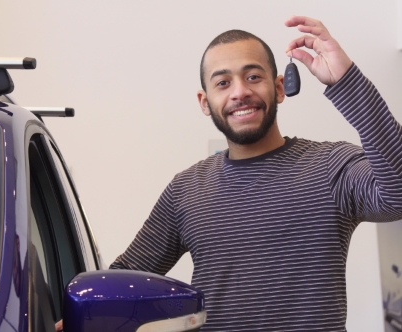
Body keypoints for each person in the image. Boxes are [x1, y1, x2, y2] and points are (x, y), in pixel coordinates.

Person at [106, 15, 402, 331]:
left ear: (279, 88)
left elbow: (398, 194)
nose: (239, 92)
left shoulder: (330, 166)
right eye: (223, 83)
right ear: (205, 102)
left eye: (253, 77)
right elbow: (127, 279)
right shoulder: (185, 190)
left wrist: (347, 82)